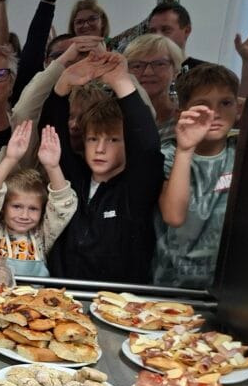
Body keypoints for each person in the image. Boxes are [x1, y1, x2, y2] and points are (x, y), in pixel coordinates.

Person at [41, 52, 164, 283]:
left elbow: (147, 148)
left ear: (128, 144)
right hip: (64, 296)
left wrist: (120, 81)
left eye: (113, 140)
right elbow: (51, 132)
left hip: (120, 300)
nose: (100, 149)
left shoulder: (135, 189)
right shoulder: (73, 177)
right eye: (93, 139)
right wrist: (65, 82)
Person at [154, 64, 241, 289]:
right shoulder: (168, 154)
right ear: (180, 114)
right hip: (171, 283)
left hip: (227, 286)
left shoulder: (242, 152)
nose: (215, 113)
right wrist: (185, 149)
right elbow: (174, 216)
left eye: (226, 103)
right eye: (202, 105)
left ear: (238, 108)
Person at [0, 120, 77, 276]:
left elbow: (63, 204)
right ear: (3, 207)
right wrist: (10, 159)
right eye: (17, 206)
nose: (24, 215)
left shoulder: (43, 236)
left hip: (35, 293)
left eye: (33, 209)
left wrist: (53, 167)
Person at [124, 33, 184, 140]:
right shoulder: (114, 117)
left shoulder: (186, 117)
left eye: (160, 64)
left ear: (175, 71)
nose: (148, 72)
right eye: (137, 66)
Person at [147, 3, 203, 72]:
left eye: (166, 30)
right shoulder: (141, 73)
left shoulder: (205, 73)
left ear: (186, 31)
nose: (157, 36)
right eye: (152, 31)